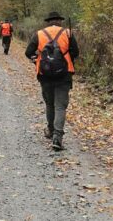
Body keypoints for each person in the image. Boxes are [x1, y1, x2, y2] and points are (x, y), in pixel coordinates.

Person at [24, 12, 79, 151]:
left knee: (49, 103)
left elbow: (28, 52)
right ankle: (57, 137)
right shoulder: (68, 33)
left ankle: (50, 130)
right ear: (60, 21)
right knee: (60, 106)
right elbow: (76, 53)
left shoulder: (39, 34)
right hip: (64, 74)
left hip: (44, 74)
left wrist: (36, 59)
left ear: (48, 22)